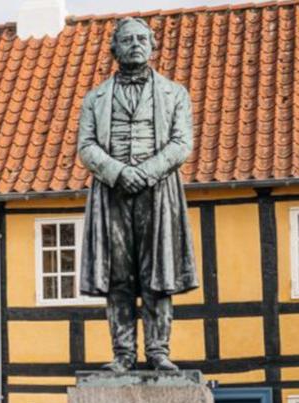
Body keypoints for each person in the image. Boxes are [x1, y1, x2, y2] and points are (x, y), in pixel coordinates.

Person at [76, 17, 199, 372]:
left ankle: (158, 350)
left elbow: (182, 143)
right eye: (127, 39)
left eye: (141, 39)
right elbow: (86, 146)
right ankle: (124, 354)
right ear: (114, 48)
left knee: (159, 273)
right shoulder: (95, 98)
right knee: (119, 275)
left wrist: (144, 173)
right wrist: (118, 172)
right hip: (112, 193)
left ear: (153, 45)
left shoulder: (175, 93)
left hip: (158, 191)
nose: (135, 44)